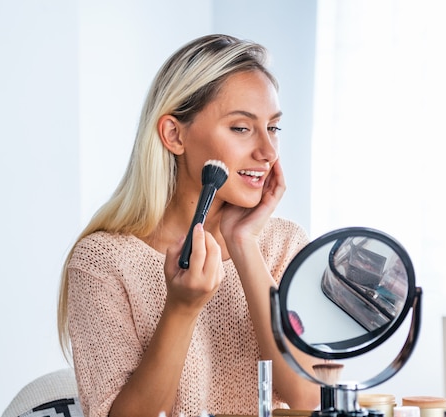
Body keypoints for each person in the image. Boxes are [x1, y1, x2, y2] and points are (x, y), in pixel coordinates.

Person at [57, 34, 320, 417]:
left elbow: (308, 399)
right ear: (174, 135)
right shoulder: (103, 262)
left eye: (273, 128)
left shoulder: (284, 244)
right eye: (241, 128)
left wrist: (245, 246)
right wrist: (181, 308)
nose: (267, 152)